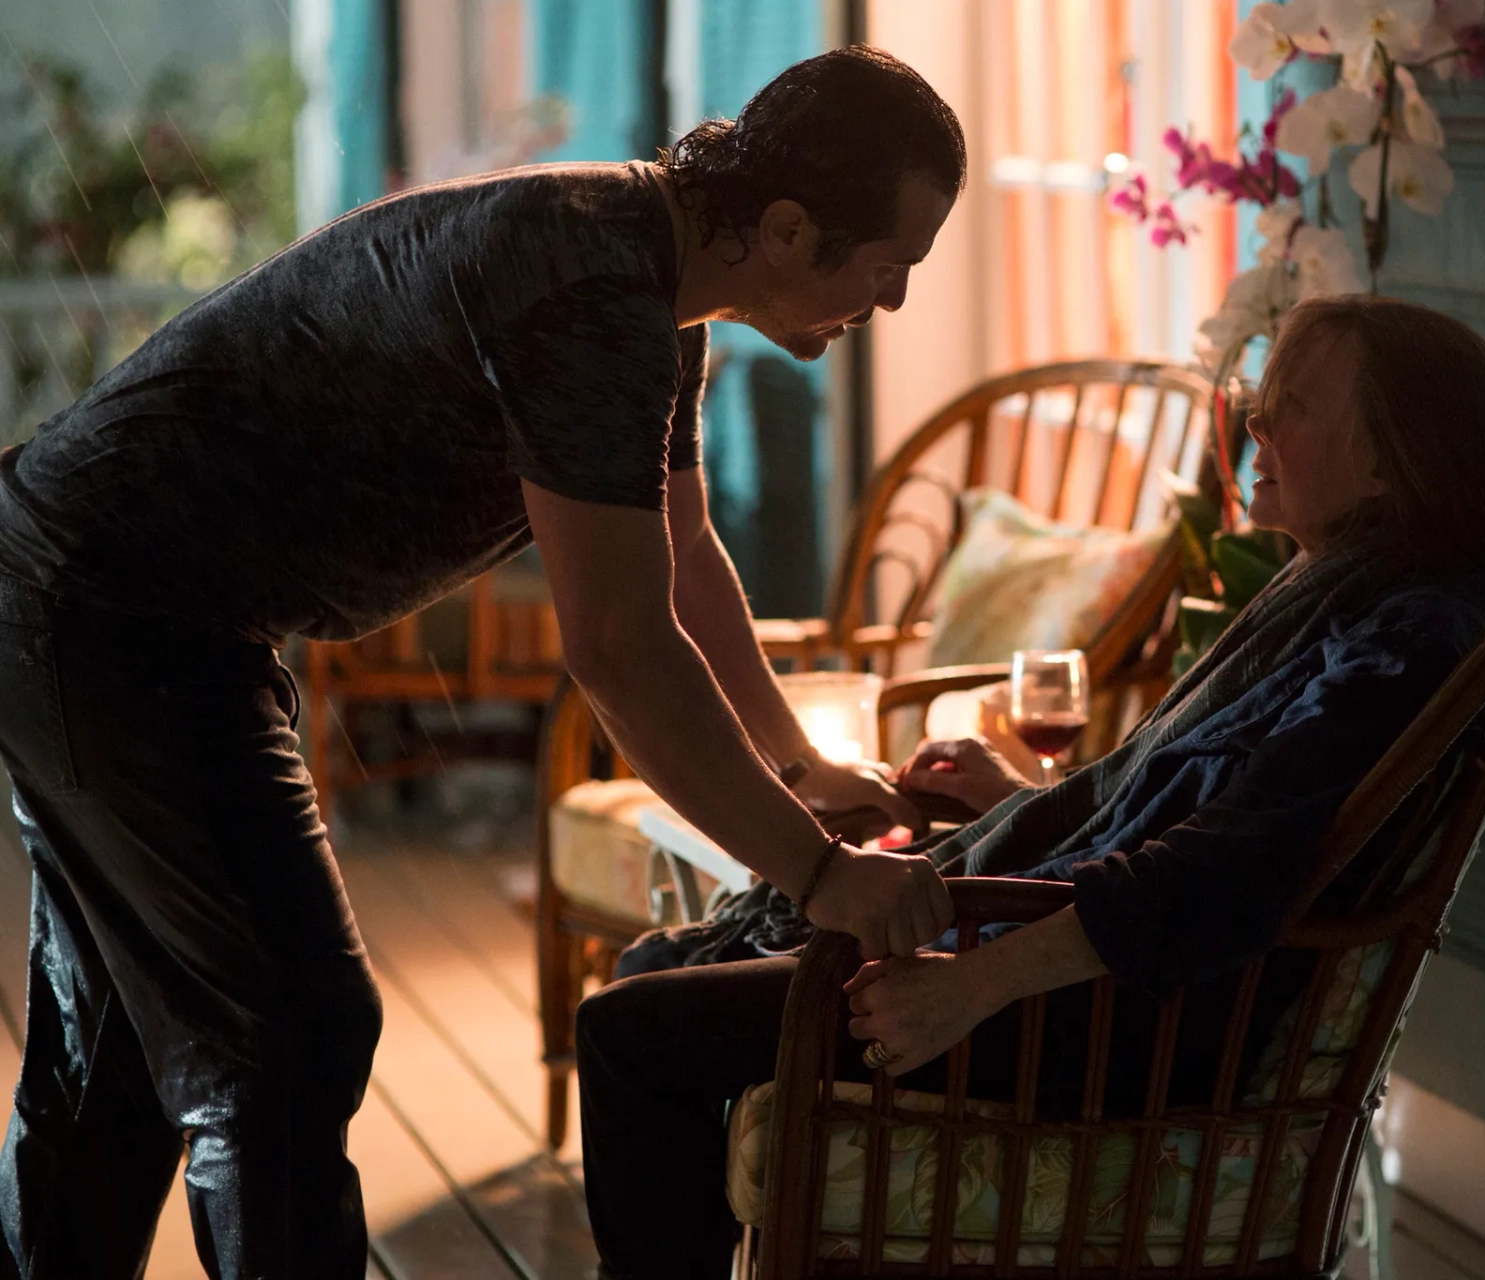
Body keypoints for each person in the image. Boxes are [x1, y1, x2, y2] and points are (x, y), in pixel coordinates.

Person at [0, 46, 963, 1279]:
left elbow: (679, 547)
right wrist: (818, 874)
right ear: (785, 227)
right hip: (105, 610)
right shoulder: (592, 292)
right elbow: (618, 648)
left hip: (103, 594)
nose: (888, 305)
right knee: (289, 1033)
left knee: (133, 1041)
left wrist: (797, 762)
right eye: (888, 269)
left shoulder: (648, 273)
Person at [574, 293, 1485, 1278]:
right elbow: (1191, 798)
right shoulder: (1352, 588)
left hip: (1109, 1021)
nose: (1255, 421)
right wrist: (1020, 794)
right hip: (1090, 982)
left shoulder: (1405, 641)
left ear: (1391, 461)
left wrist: (973, 986)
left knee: (626, 1031)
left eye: (1290, 402)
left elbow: (1227, 870)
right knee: (658, 967)